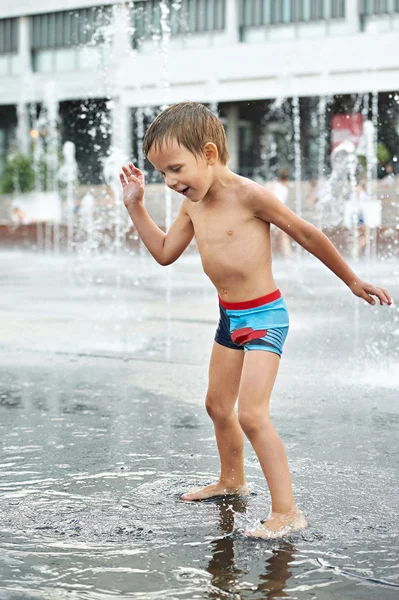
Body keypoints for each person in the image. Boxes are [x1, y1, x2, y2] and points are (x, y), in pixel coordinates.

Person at [119, 102, 392, 539]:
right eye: (161, 174)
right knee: (216, 405)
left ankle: (287, 511)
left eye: (175, 169)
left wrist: (352, 280)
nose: (170, 183)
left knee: (252, 414)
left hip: (265, 316)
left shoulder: (249, 194)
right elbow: (166, 253)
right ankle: (232, 480)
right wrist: (136, 207)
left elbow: (306, 233)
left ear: (208, 153)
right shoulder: (192, 204)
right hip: (230, 318)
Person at [268, 168, 292, 258]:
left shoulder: (274, 185)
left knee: (271, 237)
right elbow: (281, 204)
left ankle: (271, 256)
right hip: (277, 215)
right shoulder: (284, 189)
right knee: (283, 237)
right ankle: (288, 258)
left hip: (270, 214)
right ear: (286, 179)